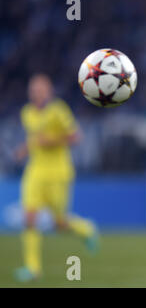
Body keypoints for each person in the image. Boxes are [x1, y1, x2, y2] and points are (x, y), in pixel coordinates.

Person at [14, 74, 98, 282]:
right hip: (35, 172)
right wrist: (23, 151)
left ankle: (86, 230)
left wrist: (50, 140)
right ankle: (32, 268)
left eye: (40, 89)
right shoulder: (27, 113)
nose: (36, 93)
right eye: (33, 90)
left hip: (59, 173)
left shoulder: (58, 110)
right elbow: (34, 139)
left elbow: (76, 136)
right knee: (29, 218)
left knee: (59, 224)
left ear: (48, 91)